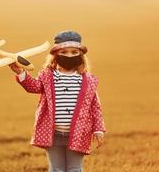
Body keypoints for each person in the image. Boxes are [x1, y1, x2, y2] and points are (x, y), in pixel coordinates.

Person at [9, 30, 106, 172]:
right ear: (55, 55)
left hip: (79, 133)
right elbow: (34, 87)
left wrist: (98, 129)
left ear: (81, 55)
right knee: (57, 169)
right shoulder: (48, 76)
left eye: (74, 52)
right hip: (52, 134)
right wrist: (20, 72)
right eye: (64, 52)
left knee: (74, 168)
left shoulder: (88, 80)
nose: (69, 55)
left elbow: (95, 107)